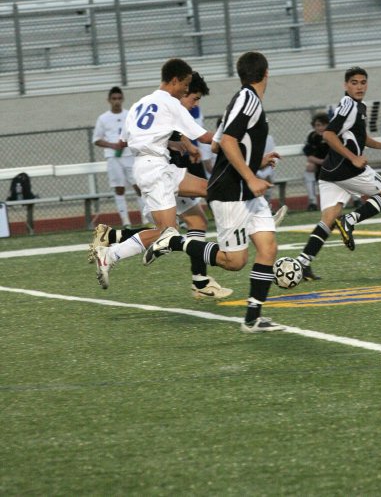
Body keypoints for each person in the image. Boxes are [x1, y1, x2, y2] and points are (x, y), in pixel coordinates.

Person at [143, 51, 286, 334]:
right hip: (231, 190)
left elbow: (221, 146)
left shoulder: (245, 100)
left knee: (268, 248)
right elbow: (229, 141)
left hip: (246, 189)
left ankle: (253, 318)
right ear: (266, 73)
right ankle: (173, 243)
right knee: (234, 262)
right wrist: (251, 176)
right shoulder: (247, 100)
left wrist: (257, 162)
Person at [90, 72, 233, 301]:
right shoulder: (171, 104)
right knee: (167, 233)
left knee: (202, 209)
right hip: (155, 170)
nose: (195, 104)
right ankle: (111, 253)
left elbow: (129, 138)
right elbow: (205, 137)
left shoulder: (142, 103)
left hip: (160, 168)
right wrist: (234, 141)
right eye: (194, 98)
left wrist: (176, 142)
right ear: (181, 88)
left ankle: (200, 281)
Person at [294, 66, 381, 280]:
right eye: (354, 82)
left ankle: (302, 263)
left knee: (329, 219)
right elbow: (329, 134)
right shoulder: (349, 105)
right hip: (347, 169)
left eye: (363, 82)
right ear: (345, 85)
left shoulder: (357, 107)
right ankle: (350, 220)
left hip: (331, 171)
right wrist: (353, 158)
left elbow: (361, 137)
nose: (359, 86)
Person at [93, 87, 146, 226]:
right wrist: (112, 145)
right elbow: (97, 139)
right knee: (119, 187)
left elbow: (138, 133)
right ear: (109, 100)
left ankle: (146, 218)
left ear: (122, 99)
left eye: (119, 98)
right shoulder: (103, 118)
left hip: (129, 155)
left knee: (138, 186)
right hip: (113, 157)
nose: (116, 101)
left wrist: (126, 143)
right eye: (114, 99)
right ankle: (125, 221)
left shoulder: (130, 115)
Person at [303, 112, 330, 211]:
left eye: (324, 125)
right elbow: (309, 155)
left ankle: (356, 199)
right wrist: (322, 162)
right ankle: (312, 202)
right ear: (314, 126)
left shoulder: (334, 134)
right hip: (320, 164)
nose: (321, 128)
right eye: (318, 125)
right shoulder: (312, 136)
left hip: (335, 164)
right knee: (309, 166)